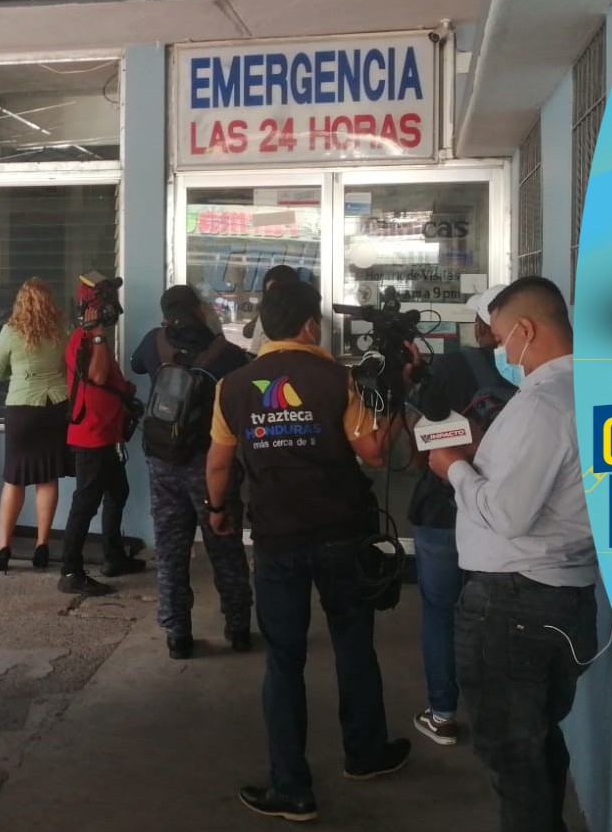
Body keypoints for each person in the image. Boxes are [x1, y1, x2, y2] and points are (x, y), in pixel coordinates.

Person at [206, 279, 409, 822]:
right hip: (342, 534)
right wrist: (396, 403)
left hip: (277, 541)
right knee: (353, 646)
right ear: (309, 326)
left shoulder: (233, 386)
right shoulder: (338, 379)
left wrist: (217, 509)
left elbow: (219, 463)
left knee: (284, 660)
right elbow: (373, 453)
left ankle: (292, 788)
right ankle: (365, 755)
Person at [427, 276, 598, 832]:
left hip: (516, 606)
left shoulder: (544, 403)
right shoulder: (588, 390)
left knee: (512, 757)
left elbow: (506, 515)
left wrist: (453, 468)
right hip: (562, 594)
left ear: (525, 329)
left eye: (501, 339)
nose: (500, 351)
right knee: (537, 742)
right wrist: (483, 450)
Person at [405, 283, 514, 745]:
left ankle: (443, 713)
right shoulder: (538, 376)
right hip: (506, 514)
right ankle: (498, 715)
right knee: (498, 615)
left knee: (440, 611)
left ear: (484, 326)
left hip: (442, 510)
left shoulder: (452, 366)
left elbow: (420, 447)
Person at [130, 284, 253, 660]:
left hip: (163, 462)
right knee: (225, 545)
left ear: (166, 314)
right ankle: (238, 627)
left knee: (170, 550)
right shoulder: (226, 354)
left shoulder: (154, 342)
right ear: (200, 310)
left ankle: (177, 634)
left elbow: (136, 365)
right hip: (210, 463)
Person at [58, 274, 144, 595]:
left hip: (107, 434)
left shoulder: (95, 338)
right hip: (91, 436)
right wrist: (96, 335)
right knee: (85, 503)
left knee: (118, 492)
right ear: (91, 307)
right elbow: (96, 375)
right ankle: (70, 572)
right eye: (106, 304)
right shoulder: (86, 338)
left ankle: (113, 556)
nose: (113, 309)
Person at [0, 278, 70, 572]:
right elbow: (69, 366)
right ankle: (42, 545)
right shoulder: (61, 330)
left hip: (22, 408)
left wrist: (19, 374)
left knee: (15, 478)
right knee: (47, 478)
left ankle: (4, 547)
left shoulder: (11, 331)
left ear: (20, 302)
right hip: (55, 407)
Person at [241, 264, 300, 356]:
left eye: (276, 292)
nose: (272, 297)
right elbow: (248, 334)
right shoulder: (265, 315)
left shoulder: (300, 318)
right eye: (268, 292)